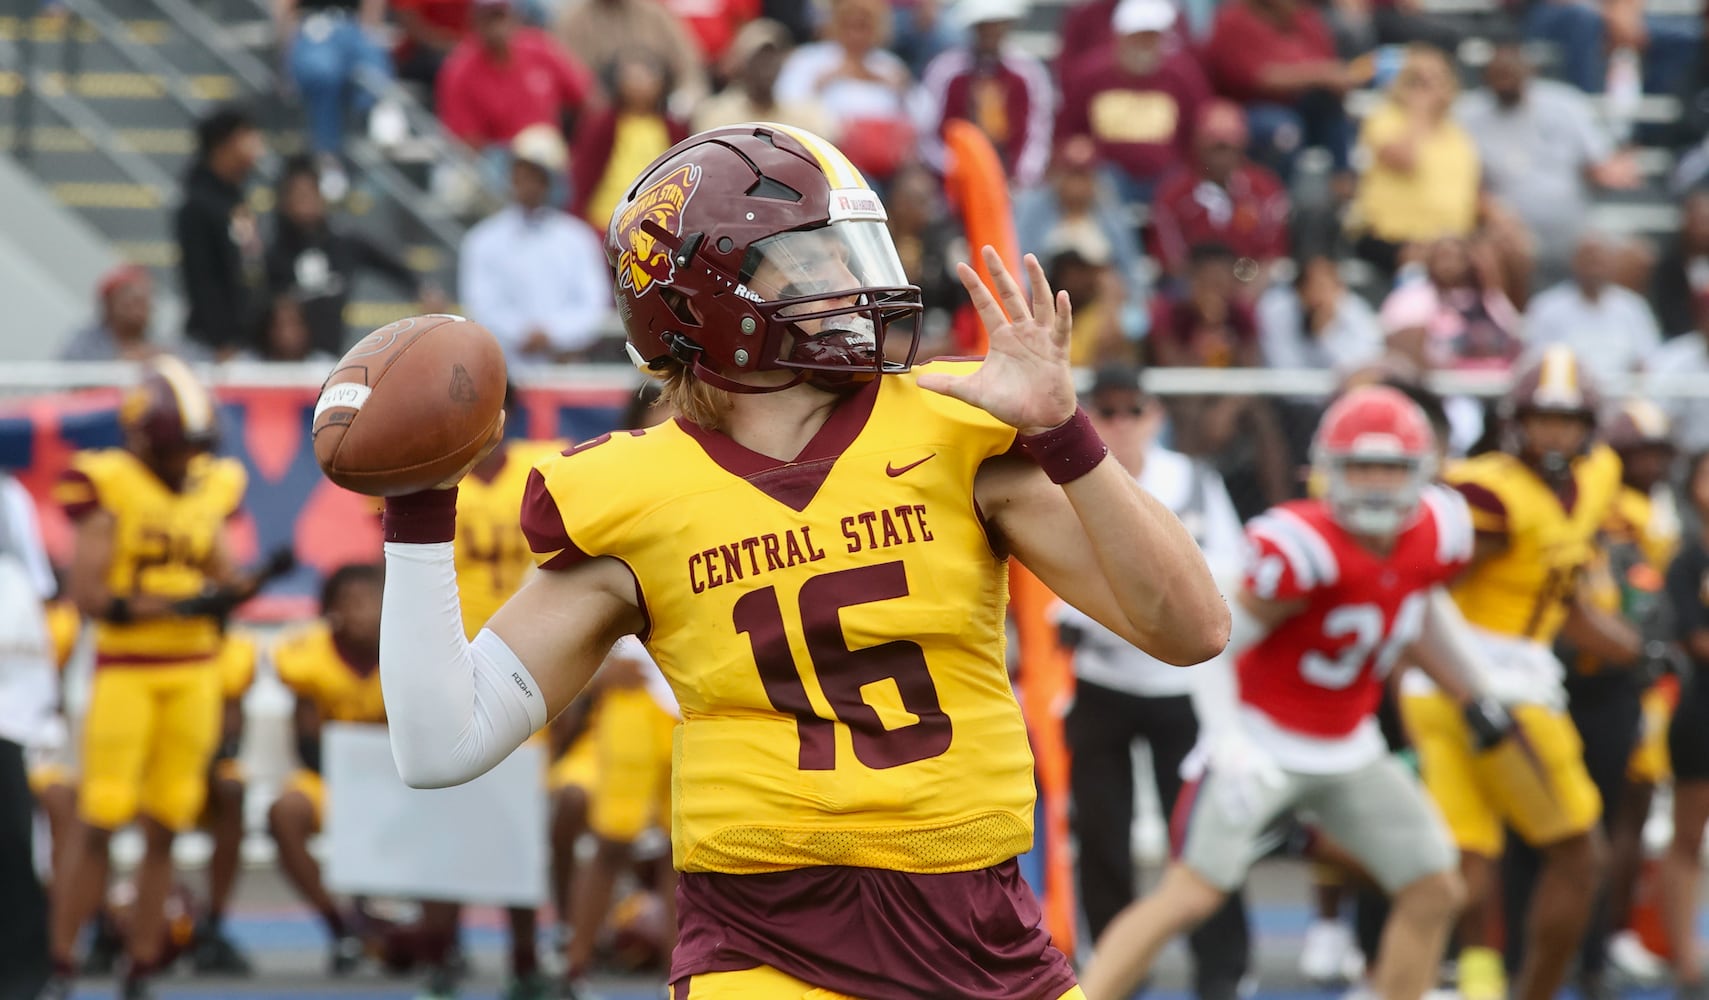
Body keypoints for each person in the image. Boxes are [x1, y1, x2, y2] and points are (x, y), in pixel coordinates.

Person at [374, 122, 1229, 1000]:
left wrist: (1063, 432)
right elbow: (444, 742)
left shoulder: (956, 430)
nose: (856, 286)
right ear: (703, 298)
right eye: (815, 261)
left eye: (856, 254)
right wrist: (416, 513)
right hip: (767, 937)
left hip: (979, 922)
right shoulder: (631, 495)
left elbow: (1192, 628)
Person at [1080, 386, 1495, 1000]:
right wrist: (1226, 738)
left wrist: (1479, 689)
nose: (1377, 485)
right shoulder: (1303, 545)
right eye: (1361, 468)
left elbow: (1417, 605)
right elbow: (1214, 643)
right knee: (1189, 894)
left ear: (1421, 473)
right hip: (1263, 740)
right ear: (1329, 472)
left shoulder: (1436, 530)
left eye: (1391, 468)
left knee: (1434, 887)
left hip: (1350, 745)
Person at [1399, 345, 1660, 1000]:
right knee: (1577, 857)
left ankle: (1465, 985)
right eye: (1541, 418)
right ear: (1515, 419)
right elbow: (1413, 585)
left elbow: (1559, 589)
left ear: (1588, 427)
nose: (1552, 433)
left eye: (1566, 420)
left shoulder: (1594, 475)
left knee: (1462, 861)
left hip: (1470, 681)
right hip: (1492, 685)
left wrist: (1624, 644)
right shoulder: (1488, 489)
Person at [43, 358, 285, 1000]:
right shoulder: (107, 483)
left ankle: (141, 963)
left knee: (167, 823)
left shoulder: (207, 486)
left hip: (195, 672)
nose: (188, 459)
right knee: (101, 818)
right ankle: (61, 960)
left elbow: (222, 575)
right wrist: (177, 607)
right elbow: (91, 596)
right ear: (145, 437)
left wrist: (257, 580)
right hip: (128, 669)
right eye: (180, 445)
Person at [1057, 365, 1253, 1000]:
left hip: (1182, 689)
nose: (1119, 423)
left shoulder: (1191, 480)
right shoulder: (1063, 479)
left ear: (1155, 416)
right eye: (1106, 412)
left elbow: (1230, 573)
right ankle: (1116, 973)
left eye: (1131, 410)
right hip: (1103, 680)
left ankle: (1221, 971)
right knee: (1104, 835)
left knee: (1199, 837)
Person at [267, 562, 387, 976]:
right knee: (286, 811)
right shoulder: (310, 657)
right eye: (350, 603)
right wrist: (356, 784)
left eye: (371, 601)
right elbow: (306, 745)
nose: (362, 613)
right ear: (331, 610)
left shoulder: (408, 648)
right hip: (333, 776)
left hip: (402, 780)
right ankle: (341, 927)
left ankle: (433, 933)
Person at [459, 125, 614, 366]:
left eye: (538, 176)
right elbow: (482, 304)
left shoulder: (577, 238)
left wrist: (554, 334)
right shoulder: (483, 240)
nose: (529, 184)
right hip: (506, 371)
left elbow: (593, 302)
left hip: (565, 369)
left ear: (551, 181)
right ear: (511, 176)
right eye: (523, 174)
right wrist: (522, 334)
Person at [268, 156, 446, 357]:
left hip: (328, 358)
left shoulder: (344, 244)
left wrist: (422, 289)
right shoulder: (273, 253)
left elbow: (390, 264)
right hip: (277, 361)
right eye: (298, 195)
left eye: (311, 193)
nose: (306, 203)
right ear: (285, 201)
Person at [0, 472, 58, 1000]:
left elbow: (41, 582)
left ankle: (22, 975)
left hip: (12, 722)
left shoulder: (10, 497)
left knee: (15, 846)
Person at [1662, 448, 1709, 1000]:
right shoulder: (1686, 561)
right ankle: (1688, 965)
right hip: (1701, 712)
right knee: (1687, 837)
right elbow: (1695, 640)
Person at [174, 106, 268, 360]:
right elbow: (201, 277)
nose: (256, 145)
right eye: (247, 136)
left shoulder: (236, 199)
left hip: (247, 342)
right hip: (214, 348)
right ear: (223, 145)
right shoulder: (198, 205)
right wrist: (222, 340)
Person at [1523, 231, 1662, 375]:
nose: (1594, 266)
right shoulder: (1546, 307)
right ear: (1574, 261)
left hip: (1624, 393)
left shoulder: (1633, 307)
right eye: (1588, 258)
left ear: (1611, 262)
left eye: (1599, 259)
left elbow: (1650, 360)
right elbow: (1535, 362)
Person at [60, 266, 162, 362]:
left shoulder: (161, 343)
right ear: (109, 303)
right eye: (129, 296)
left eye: (145, 299)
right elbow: (64, 375)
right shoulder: (83, 344)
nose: (140, 303)